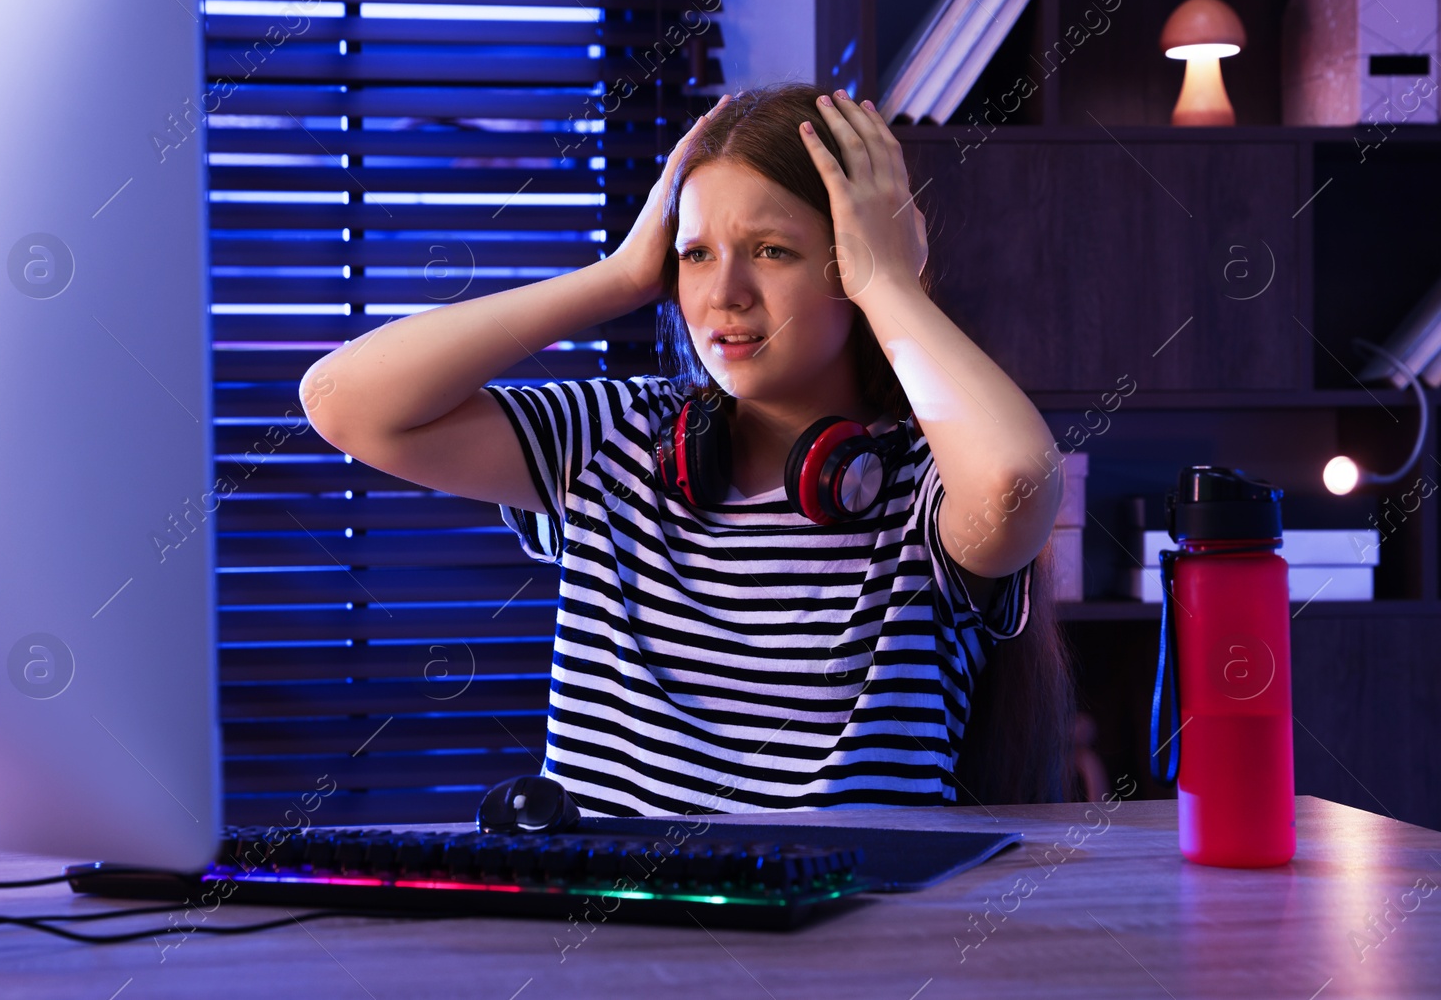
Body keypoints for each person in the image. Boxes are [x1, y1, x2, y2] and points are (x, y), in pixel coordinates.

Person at [302, 81, 1076, 816]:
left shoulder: (923, 483)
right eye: (697, 253)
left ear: (852, 262)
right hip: (607, 940)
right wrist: (618, 276)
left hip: (851, 946)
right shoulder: (615, 436)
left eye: (772, 249)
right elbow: (343, 403)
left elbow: (1015, 481)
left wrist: (893, 286)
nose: (724, 292)